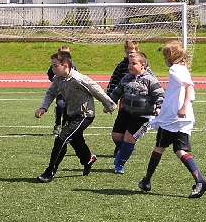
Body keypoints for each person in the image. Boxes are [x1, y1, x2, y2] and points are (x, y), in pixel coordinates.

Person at [138, 40, 206, 198]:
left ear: (171, 57)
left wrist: (183, 107)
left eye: (165, 56)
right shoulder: (182, 69)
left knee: (159, 147)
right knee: (178, 150)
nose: (164, 59)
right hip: (180, 118)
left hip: (172, 118)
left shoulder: (175, 69)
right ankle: (199, 180)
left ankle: (147, 181)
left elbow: (189, 87)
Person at [34, 50, 116, 183]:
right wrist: (43, 107)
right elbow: (51, 93)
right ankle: (88, 159)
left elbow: (96, 90)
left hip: (85, 115)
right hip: (70, 113)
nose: (52, 68)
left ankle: (50, 171)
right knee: (76, 140)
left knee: (61, 138)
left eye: (55, 65)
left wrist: (109, 105)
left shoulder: (79, 79)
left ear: (65, 65)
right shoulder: (58, 79)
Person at [109, 52, 164, 174]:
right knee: (116, 136)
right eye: (129, 63)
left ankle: (120, 163)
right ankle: (125, 150)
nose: (130, 66)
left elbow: (160, 94)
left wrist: (159, 107)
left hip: (142, 116)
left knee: (129, 139)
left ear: (142, 65)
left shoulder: (150, 79)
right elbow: (117, 92)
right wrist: (110, 103)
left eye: (134, 63)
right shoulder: (126, 78)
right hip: (125, 112)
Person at [107, 39, 139, 154]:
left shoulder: (142, 65)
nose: (130, 54)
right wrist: (109, 100)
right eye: (128, 52)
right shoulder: (121, 66)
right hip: (124, 102)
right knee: (117, 134)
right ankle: (122, 147)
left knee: (130, 129)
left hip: (138, 104)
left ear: (137, 51)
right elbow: (114, 81)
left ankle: (125, 148)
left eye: (132, 52)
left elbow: (151, 83)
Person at [47, 45, 73, 136]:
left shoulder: (72, 65)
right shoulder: (55, 65)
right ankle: (58, 124)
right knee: (60, 105)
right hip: (60, 91)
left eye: (67, 53)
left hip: (70, 92)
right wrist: (55, 79)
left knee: (67, 109)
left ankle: (64, 126)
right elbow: (50, 74)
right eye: (63, 53)